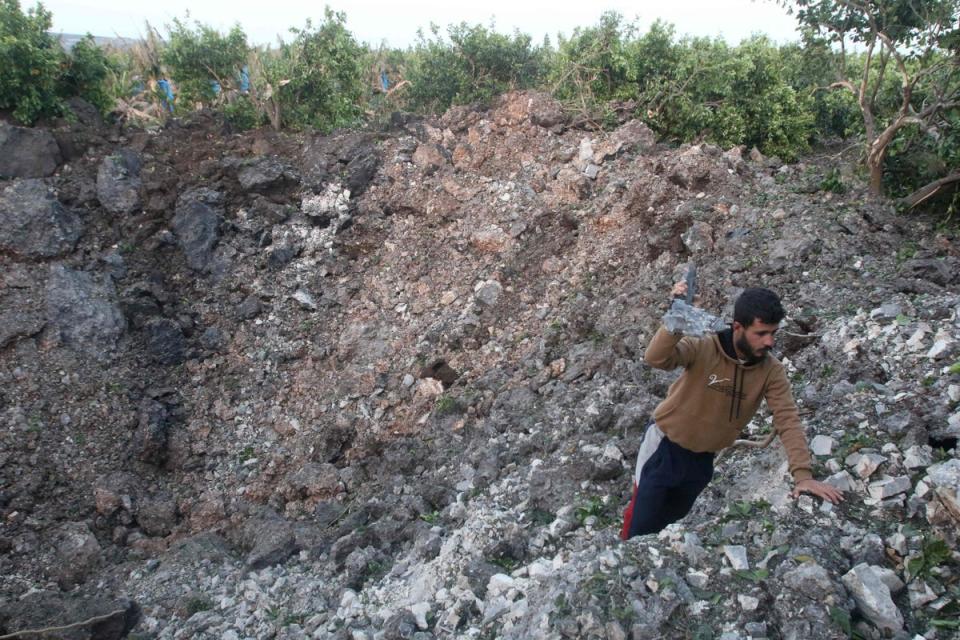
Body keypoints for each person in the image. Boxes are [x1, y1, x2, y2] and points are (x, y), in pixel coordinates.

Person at [621, 283, 843, 540]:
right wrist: (675, 321)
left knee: (667, 527)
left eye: (773, 333)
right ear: (738, 327)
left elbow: (787, 419)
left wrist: (803, 476)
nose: (769, 341)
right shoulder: (704, 347)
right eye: (761, 333)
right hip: (664, 449)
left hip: (702, 462)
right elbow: (657, 359)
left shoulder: (771, 372)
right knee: (639, 526)